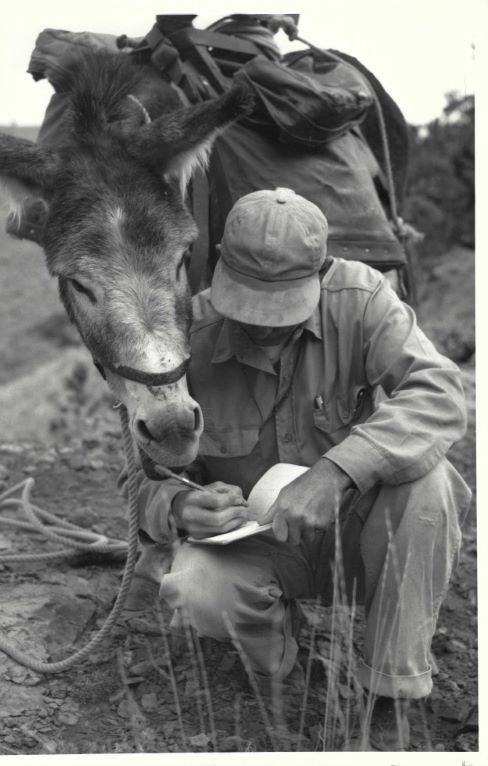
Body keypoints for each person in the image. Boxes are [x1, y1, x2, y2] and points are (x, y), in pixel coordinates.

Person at [130, 187, 471, 750]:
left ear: (321, 272)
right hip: (257, 544)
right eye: (249, 307)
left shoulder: (360, 299)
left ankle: (388, 693)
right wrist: (182, 507)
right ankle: (280, 661)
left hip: (357, 537)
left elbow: (439, 395)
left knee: (428, 484)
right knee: (195, 587)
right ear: (217, 267)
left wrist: (337, 472)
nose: (264, 327)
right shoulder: (184, 333)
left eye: (282, 308)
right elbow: (139, 476)